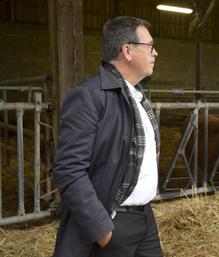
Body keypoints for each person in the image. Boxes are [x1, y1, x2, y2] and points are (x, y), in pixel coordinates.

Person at [52, 16, 163, 257]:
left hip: (144, 219)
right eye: (150, 46)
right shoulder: (89, 96)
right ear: (127, 50)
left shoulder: (138, 96)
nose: (155, 53)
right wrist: (102, 229)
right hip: (112, 222)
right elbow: (68, 169)